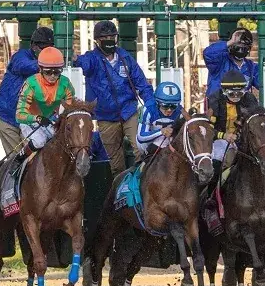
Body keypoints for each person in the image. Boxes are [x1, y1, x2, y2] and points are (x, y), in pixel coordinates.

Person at [204, 70, 261, 286]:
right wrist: (223, 134)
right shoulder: (214, 99)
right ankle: (208, 198)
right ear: (225, 90)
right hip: (220, 142)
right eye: (232, 92)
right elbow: (208, 127)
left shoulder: (251, 101)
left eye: (240, 91)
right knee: (217, 166)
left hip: (245, 144)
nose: (237, 96)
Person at [73, 20, 154, 174]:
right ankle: (120, 190)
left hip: (129, 112)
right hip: (105, 117)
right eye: (105, 38)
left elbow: (142, 83)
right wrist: (75, 59)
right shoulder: (92, 58)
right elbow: (84, 64)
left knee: (141, 150)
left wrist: (151, 106)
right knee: (115, 162)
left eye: (112, 37)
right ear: (97, 41)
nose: (109, 41)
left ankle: (141, 183)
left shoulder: (126, 57)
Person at [0, 26, 54, 156]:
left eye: (49, 47)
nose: (46, 51)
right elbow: (24, 66)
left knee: (34, 157)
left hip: (28, 119)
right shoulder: (20, 56)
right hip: (7, 116)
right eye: (42, 47)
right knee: (16, 158)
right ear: (33, 46)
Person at [11, 46, 76, 167]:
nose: (52, 76)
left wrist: (58, 118)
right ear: (40, 69)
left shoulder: (66, 84)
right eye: (48, 72)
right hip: (30, 121)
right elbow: (19, 115)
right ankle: (18, 159)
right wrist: (37, 118)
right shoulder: (30, 84)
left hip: (51, 121)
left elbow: (69, 109)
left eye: (57, 72)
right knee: (40, 141)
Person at [203, 27, 259, 98]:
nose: (240, 46)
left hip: (240, 105)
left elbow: (261, 82)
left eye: (244, 44)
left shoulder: (251, 67)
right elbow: (207, 54)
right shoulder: (220, 61)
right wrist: (231, 41)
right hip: (217, 104)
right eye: (237, 42)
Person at [135, 82, 184, 163]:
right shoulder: (148, 109)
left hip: (170, 143)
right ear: (157, 103)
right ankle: (142, 168)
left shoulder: (180, 111)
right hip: (148, 144)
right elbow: (141, 137)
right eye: (165, 106)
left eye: (173, 106)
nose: (169, 110)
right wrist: (161, 132)